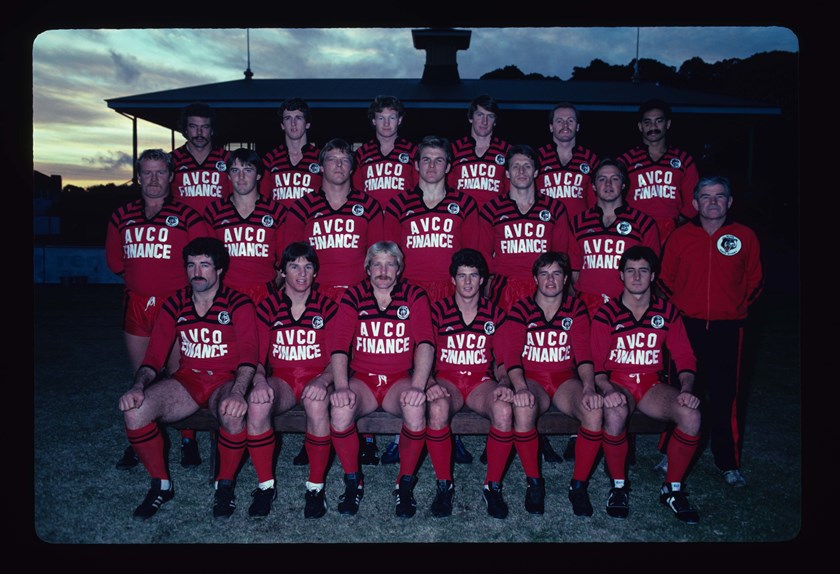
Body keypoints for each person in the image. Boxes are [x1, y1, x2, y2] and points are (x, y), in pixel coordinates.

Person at [118, 237, 259, 520]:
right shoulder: (175, 304)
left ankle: (225, 485)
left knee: (232, 413)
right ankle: (161, 484)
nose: (197, 271)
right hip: (188, 381)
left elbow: (249, 357)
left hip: (225, 379)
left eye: (205, 265)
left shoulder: (238, 303)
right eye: (191, 264)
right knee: (135, 410)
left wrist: (238, 392)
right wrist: (137, 386)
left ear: (219, 269)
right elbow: (154, 358)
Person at [106, 148, 212, 470]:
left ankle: (188, 439)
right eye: (147, 172)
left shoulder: (188, 217)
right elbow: (115, 263)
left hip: (176, 305)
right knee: (142, 376)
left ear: (170, 176)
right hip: (137, 305)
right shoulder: (122, 215)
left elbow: (201, 264)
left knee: (182, 375)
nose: (153, 179)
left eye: (160, 172)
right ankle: (140, 436)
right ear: (139, 176)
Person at [658, 175, 763, 487]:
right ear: (694, 203)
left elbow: (755, 281)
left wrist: (732, 308)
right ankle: (668, 450)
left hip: (728, 328)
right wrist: (680, 310)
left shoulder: (744, 235)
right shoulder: (680, 236)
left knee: (725, 394)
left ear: (729, 202)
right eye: (706, 196)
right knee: (679, 389)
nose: (713, 202)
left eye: (720, 196)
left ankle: (727, 460)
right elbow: (665, 279)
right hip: (686, 326)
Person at [285, 138, 385, 465]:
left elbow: (377, 254)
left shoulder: (368, 205)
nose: (338, 166)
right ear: (321, 166)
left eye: (344, 160)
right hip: (320, 294)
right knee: (318, 364)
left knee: (362, 361)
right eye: (332, 160)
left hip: (358, 294)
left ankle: (365, 437)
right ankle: (313, 433)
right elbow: (292, 256)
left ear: (353, 167)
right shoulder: (303, 206)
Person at [383, 135, 481, 465]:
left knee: (447, 364)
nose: (432, 166)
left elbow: (471, 255)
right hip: (411, 292)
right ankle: (402, 434)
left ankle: (448, 433)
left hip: (451, 291)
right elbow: (390, 255)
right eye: (426, 159)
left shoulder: (464, 204)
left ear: (449, 166)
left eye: (439, 160)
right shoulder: (399, 204)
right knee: (408, 362)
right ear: (415, 165)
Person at [592, 245, 702, 524]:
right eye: (630, 271)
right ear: (621, 276)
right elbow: (597, 364)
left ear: (653, 276)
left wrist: (687, 389)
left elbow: (684, 356)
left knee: (691, 415)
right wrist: (606, 390)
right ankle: (618, 486)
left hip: (652, 386)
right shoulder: (607, 313)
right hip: (619, 382)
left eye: (643, 271)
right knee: (615, 412)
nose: (637, 277)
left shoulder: (667, 312)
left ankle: (672, 488)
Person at [327, 241, 435, 518]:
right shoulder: (354, 295)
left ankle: (405, 483)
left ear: (399, 268)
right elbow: (339, 344)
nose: (383, 270)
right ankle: (353, 481)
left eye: (390, 264)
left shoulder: (414, 294)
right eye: (377, 263)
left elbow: (425, 342)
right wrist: (340, 387)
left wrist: (418, 386)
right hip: (363, 378)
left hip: (398, 378)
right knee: (340, 411)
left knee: (414, 408)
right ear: (367, 268)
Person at [505, 251, 604, 517]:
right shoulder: (521, 308)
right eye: (544, 274)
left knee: (593, 411)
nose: (550, 280)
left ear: (565, 279)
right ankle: (534, 482)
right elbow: (511, 354)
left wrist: (588, 387)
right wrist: (521, 387)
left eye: (556, 273)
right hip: (532, 378)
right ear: (535, 279)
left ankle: (579, 485)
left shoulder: (575, 308)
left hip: (563, 379)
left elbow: (583, 353)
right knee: (523, 409)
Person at [253, 241, 339, 518]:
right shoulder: (267, 306)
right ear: (282, 271)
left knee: (317, 405)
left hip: (316, 378)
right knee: (257, 405)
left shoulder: (328, 306)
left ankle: (315, 487)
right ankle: (265, 486)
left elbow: (339, 355)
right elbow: (255, 355)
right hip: (282, 379)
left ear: (316, 273)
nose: (301, 273)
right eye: (294, 266)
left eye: (308, 266)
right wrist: (259, 381)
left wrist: (325, 380)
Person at [424, 248, 511, 518]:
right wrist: (428, 381)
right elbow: (421, 352)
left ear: (483, 279)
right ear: (453, 280)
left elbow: (503, 359)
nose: (468, 282)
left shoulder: (495, 314)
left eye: (474, 276)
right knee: (437, 409)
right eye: (462, 276)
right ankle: (444, 485)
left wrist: (505, 381)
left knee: (504, 410)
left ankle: (492, 485)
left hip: (479, 381)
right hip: (447, 380)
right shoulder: (437, 311)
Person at [478, 144, 571, 314]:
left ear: (536, 172)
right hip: (504, 287)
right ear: (507, 173)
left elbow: (561, 255)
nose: (521, 171)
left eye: (527, 166)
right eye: (516, 166)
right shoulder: (491, 209)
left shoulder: (555, 208)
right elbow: (484, 254)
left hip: (543, 286)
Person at [568, 158, 661, 318]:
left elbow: (650, 271)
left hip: (628, 304)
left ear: (624, 185)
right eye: (602, 179)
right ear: (594, 186)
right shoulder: (578, 222)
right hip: (588, 304)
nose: (608, 184)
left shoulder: (643, 223)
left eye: (615, 179)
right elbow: (574, 270)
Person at [204, 147, 289, 305]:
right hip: (225, 293)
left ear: (258, 175)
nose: (241, 177)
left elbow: (284, 259)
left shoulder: (277, 211)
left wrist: (271, 288)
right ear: (228, 175)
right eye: (235, 170)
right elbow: (207, 260)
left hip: (264, 293)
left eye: (248, 170)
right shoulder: (214, 211)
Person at [617, 99, 699, 245]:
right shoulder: (626, 160)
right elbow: (613, 196)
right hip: (636, 229)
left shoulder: (683, 159)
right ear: (640, 126)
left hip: (673, 230)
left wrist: (678, 222)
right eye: (647, 122)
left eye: (658, 121)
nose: (653, 127)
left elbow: (694, 199)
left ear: (667, 124)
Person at [536, 102, 600, 220]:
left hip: (580, 229)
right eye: (559, 121)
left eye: (570, 120)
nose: (565, 125)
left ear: (577, 126)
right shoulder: (537, 157)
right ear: (551, 127)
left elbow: (597, 200)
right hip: (546, 227)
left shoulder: (590, 158)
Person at [353, 95, 419, 208]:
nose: (386, 123)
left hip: (402, 218)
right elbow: (356, 192)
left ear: (400, 120)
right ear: (374, 120)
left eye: (392, 118)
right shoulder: (361, 153)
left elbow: (419, 190)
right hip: (371, 219)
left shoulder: (413, 151)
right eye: (381, 118)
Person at [447, 94, 511, 210]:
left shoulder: (507, 151)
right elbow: (446, 189)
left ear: (495, 121)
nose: (484, 122)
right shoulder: (454, 149)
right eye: (480, 115)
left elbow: (511, 192)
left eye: (490, 116)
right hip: (462, 218)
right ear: (470, 118)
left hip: (494, 219)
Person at [170, 102, 232, 214]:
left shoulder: (228, 159)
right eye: (193, 126)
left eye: (205, 127)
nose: (199, 132)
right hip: (184, 228)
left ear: (212, 130)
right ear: (185, 129)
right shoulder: (171, 159)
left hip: (218, 228)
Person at [260, 97, 322, 206]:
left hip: (310, 222)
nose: (293, 123)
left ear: (307, 124)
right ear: (282, 125)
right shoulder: (269, 159)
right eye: (288, 118)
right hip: (278, 222)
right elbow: (262, 200)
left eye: (298, 118)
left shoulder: (321, 158)